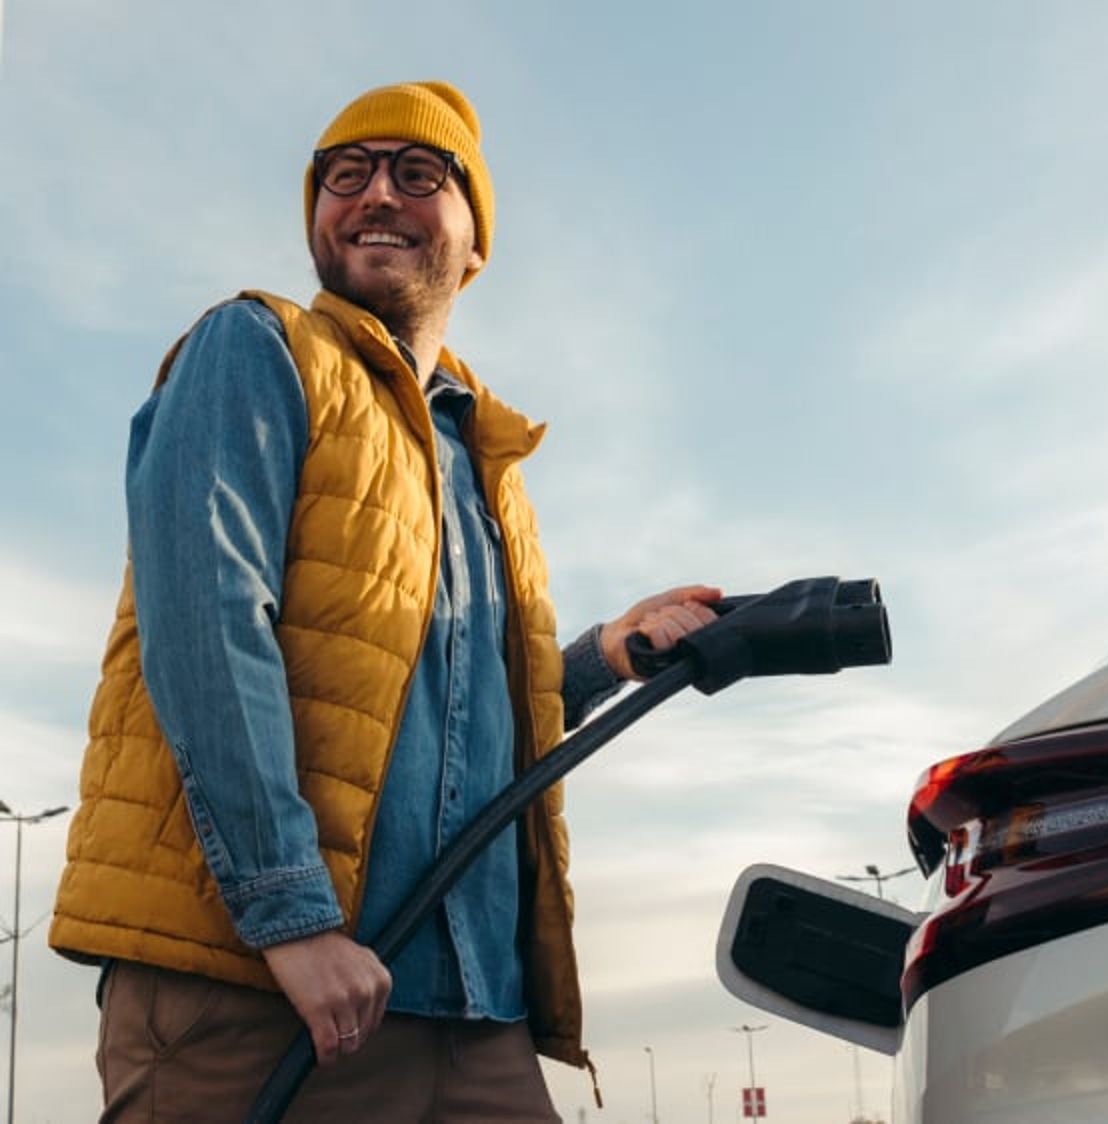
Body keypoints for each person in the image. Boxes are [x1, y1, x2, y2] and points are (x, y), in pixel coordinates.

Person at [49, 80, 719, 1122]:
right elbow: (208, 623)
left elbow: (457, 714)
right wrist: (290, 917)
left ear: (475, 238)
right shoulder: (259, 347)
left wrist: (603, 655)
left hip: (468, 1002)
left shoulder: (483, 462)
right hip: (262, 988)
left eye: (417, 174)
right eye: (344, 175)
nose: (373, 196)